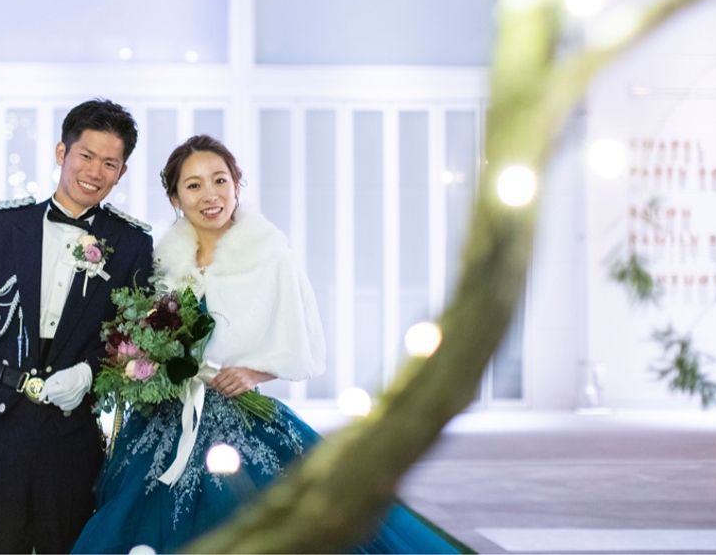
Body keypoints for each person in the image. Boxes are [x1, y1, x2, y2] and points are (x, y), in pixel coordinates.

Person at [72, 135, 461, 554]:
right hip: (162, 418)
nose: (210, 195)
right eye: (194, 185)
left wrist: (253, 372)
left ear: (237, 184)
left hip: (238, 415)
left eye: (220, 180)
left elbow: (302, 338)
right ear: (175, 198)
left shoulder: (269, 254)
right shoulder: (164, 259)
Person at [0, 99, 154, 554]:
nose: (95, 171)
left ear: (122, 173)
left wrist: (90, 375)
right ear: (62, 152)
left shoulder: (132, 244)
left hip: (73, 434)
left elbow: (134, 340)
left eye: (109, 163)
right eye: (86, 156)